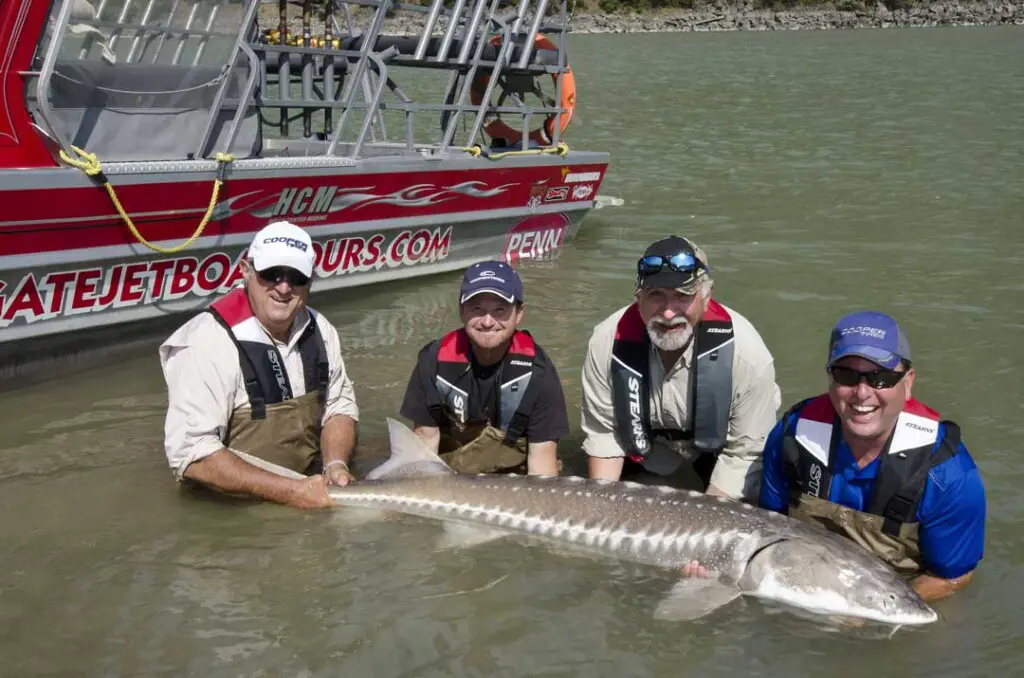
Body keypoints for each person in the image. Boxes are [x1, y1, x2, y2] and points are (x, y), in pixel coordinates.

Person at [759, 311, 986, 602]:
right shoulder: (792, 436)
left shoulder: (948, 475)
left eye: (881, 377)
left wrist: (865, 612)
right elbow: (767, 527)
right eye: (847, 375)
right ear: (830, 379)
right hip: (803, 580)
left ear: (908, 383)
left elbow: (951, 577)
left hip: (886, 595)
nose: (862, 393)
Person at [158, 221, 359, 509]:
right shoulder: (204, 341)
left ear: (310, 281)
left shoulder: (320, 330)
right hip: (227, 509)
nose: (284, 287)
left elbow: (338, 407)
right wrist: (291, 492)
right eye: (271, 274)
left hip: (310, 490)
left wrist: (335, 464)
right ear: (245, 270)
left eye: (296, 277)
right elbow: (191, 454)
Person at [579, 236, 781, 501]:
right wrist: (601, 511)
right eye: (656, 295)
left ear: (706, 298)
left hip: (717, 452)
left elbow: (744, 454)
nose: (669, 312)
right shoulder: (607, 342)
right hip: (643, 446)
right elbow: (605, 437)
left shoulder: (748, 355)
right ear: (638, 299)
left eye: (683, 296)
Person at [399, 261, 569, 475]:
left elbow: (542, 460)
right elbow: (426, 438)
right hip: (451, 467)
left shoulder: (537, 372)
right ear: (462, 312)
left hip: (514, 470)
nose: (488, 322)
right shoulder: (434, 360)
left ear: (519, 313)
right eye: (477, 309)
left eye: (500, 310)